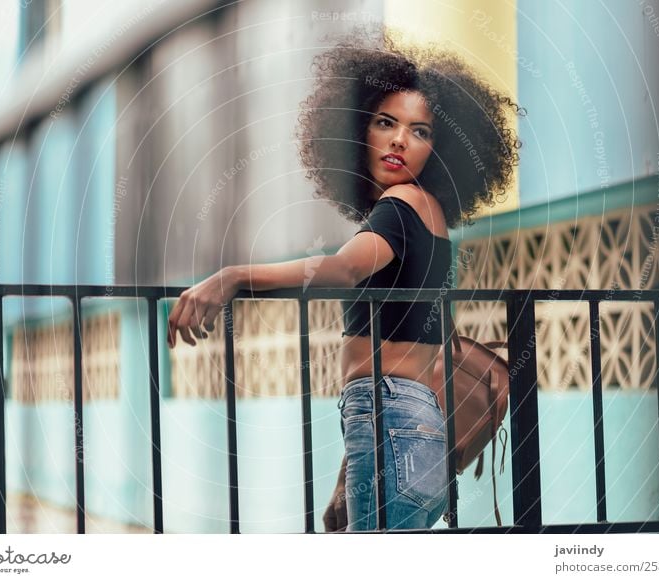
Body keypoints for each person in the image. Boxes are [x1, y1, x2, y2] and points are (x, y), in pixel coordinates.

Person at [166, 25, 522, 531]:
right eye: (385, 122)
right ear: (359, 131)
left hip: (395, 427)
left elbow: (345, 267)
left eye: (421, 131)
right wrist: (346, 475)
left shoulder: (400, 207)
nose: (400, 139)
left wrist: (232, 277)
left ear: (439, 152)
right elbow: (414, 359)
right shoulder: (431, 216)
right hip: (414, 434)